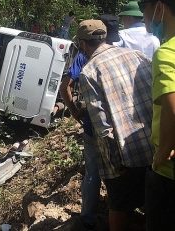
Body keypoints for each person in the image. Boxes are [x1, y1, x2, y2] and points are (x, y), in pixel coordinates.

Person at [76, 19, 154, 231]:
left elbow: (102, 126)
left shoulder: (90, 72)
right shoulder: (137, 55)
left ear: (83, 44)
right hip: (155, 148)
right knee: (154, 206)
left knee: (118, 207)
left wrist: (114, 164)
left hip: (125, 155)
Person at [59, 15, 120, 230]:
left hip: (94, 127)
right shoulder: (121, 54)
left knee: (93, 172)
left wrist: (75, 111)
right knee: (120, 175)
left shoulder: (84, 59)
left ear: (83, 43)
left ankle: (88, 218)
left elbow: (65, 85)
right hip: (121, 126)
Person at [134, 0, 175, 230]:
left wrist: (163, 150)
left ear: (159, 7)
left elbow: (172, 104)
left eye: (144, 6)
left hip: (168, 173)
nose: (143, 15)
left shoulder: (167, 51)